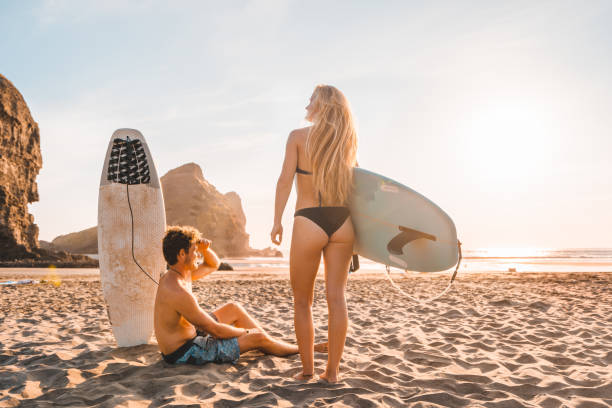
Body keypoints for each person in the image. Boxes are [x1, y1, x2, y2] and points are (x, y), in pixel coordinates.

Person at [271, 85, 358, 383]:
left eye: (311, 99)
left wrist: (276, 221)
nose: (307, 103)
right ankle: (332, 373)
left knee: (302, 301)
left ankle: (308, 370)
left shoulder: (297, 137)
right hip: (343, 222)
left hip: (310, 219)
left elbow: (284, 181)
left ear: (321, 105)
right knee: (337, 298)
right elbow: (358, 187)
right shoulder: (347, 141)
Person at [154, 225, 327, 365]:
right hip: (185, 352)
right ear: (182, 254)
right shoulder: (177, 290)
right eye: (194, 250)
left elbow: (214, 264)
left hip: (192, 334)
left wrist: (205, 249)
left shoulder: (180, 273)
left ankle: (271, 343)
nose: (198, 254)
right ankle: (300, 349)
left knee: (233, 308)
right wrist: (245, 332)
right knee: (257, 337)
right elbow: (215, 331)